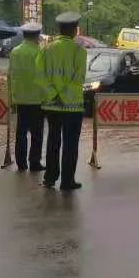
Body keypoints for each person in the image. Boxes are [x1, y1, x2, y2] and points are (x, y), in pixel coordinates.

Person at [42, 11, 87, 191]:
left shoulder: (45, 49)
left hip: (52, 104)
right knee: (70, 144)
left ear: (59, 29)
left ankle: (50, 178)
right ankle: (67, 181)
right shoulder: (79, 51)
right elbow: (79, 78)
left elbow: (40, 76)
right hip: (73, 106)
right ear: (75, 30)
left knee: (53, 141)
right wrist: (65, 93)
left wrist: (54, 93)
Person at [9, 22, 46, 172]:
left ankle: (21, 163)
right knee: (37, 133)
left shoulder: (15, 52)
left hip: (20, 98)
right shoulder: (40, 52)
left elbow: (11, 75)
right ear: (37, 35)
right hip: (37, 99)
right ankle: (34, 162)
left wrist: (11, 98)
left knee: (21, 132)